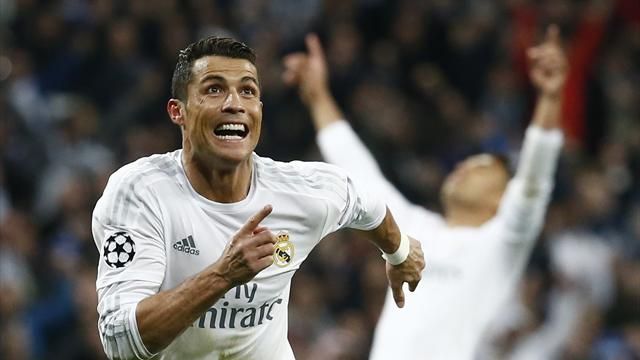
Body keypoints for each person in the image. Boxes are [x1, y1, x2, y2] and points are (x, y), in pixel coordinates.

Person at [91, 37, 425, 360]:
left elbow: (366, 205)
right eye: (214, 89)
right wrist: (222, 275)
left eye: (247, 91)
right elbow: (120, 340)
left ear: (259, 111)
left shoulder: (301, 191)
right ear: (178, 111)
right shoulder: (141, 194)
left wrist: (398, 253)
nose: (234, 103)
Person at [283, 26, 566, 359]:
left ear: (502, 199)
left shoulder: (500, 243)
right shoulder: (416, 229)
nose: (463, 168)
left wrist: (550, 99)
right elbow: (359, 173)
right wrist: (318, 95)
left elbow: (533, 183)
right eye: (465, 163)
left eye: (481, 168)